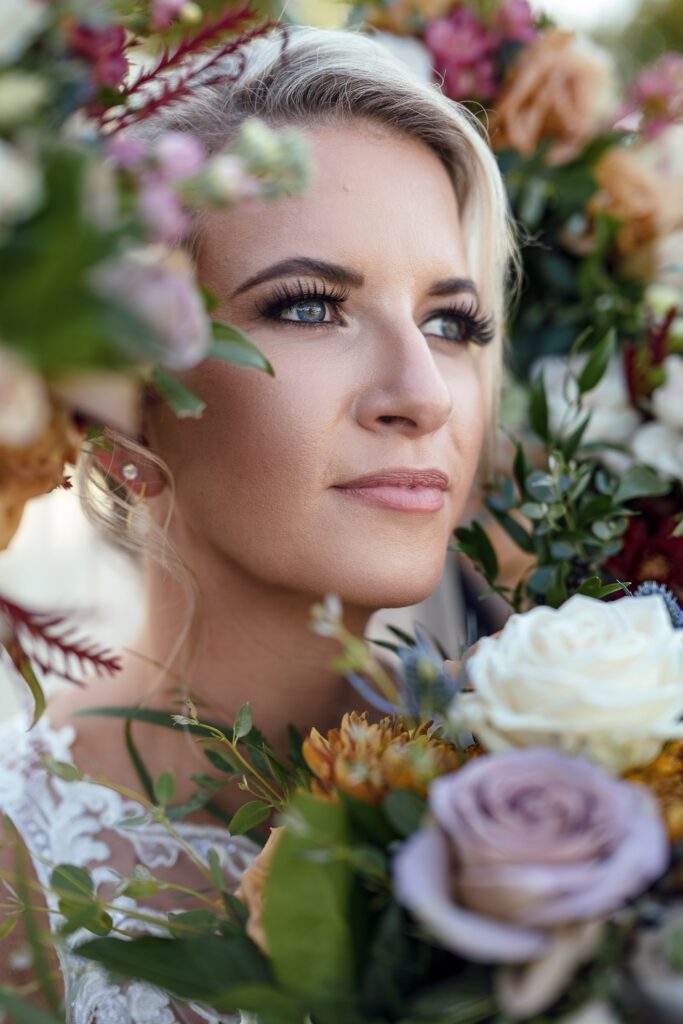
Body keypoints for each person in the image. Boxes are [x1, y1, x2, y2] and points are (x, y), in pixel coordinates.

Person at [0, 25, 516, 1023]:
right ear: (115, 396)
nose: (424, 394)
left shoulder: (587, 772)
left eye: (449, 322)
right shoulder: (19, 884)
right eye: (311, 306)